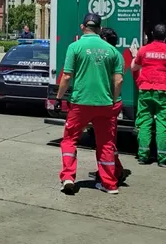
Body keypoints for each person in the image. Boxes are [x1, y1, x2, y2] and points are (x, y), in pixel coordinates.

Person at [55, 13, 124, 195]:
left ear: (82, 27)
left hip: (80, 102)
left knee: (70, 140)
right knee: (106, 144)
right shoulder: (113, 51)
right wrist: (113, 99)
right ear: (100, 29)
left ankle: (68, 177)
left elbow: (67, 76)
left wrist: (59, 97)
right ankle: (110, 185)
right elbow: (118, 81)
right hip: (105, 104)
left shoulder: (75, 47)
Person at [129, 23, 166, 167]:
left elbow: (134, 67)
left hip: (145, 90)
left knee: (144, 122)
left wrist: (135, 56)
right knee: (163, 123)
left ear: (153, 34)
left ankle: (142, 157)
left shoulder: (144, 50)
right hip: (164, 91)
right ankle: (163, 159)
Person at [87, 27, 127, 184]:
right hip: (111, 102)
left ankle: (111, 174)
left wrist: (112, 100)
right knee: (108, 140)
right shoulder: (116, 55)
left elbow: (117, 81)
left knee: (105, 143)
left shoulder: (108, 55)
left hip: (107, 102)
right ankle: (115, 170)